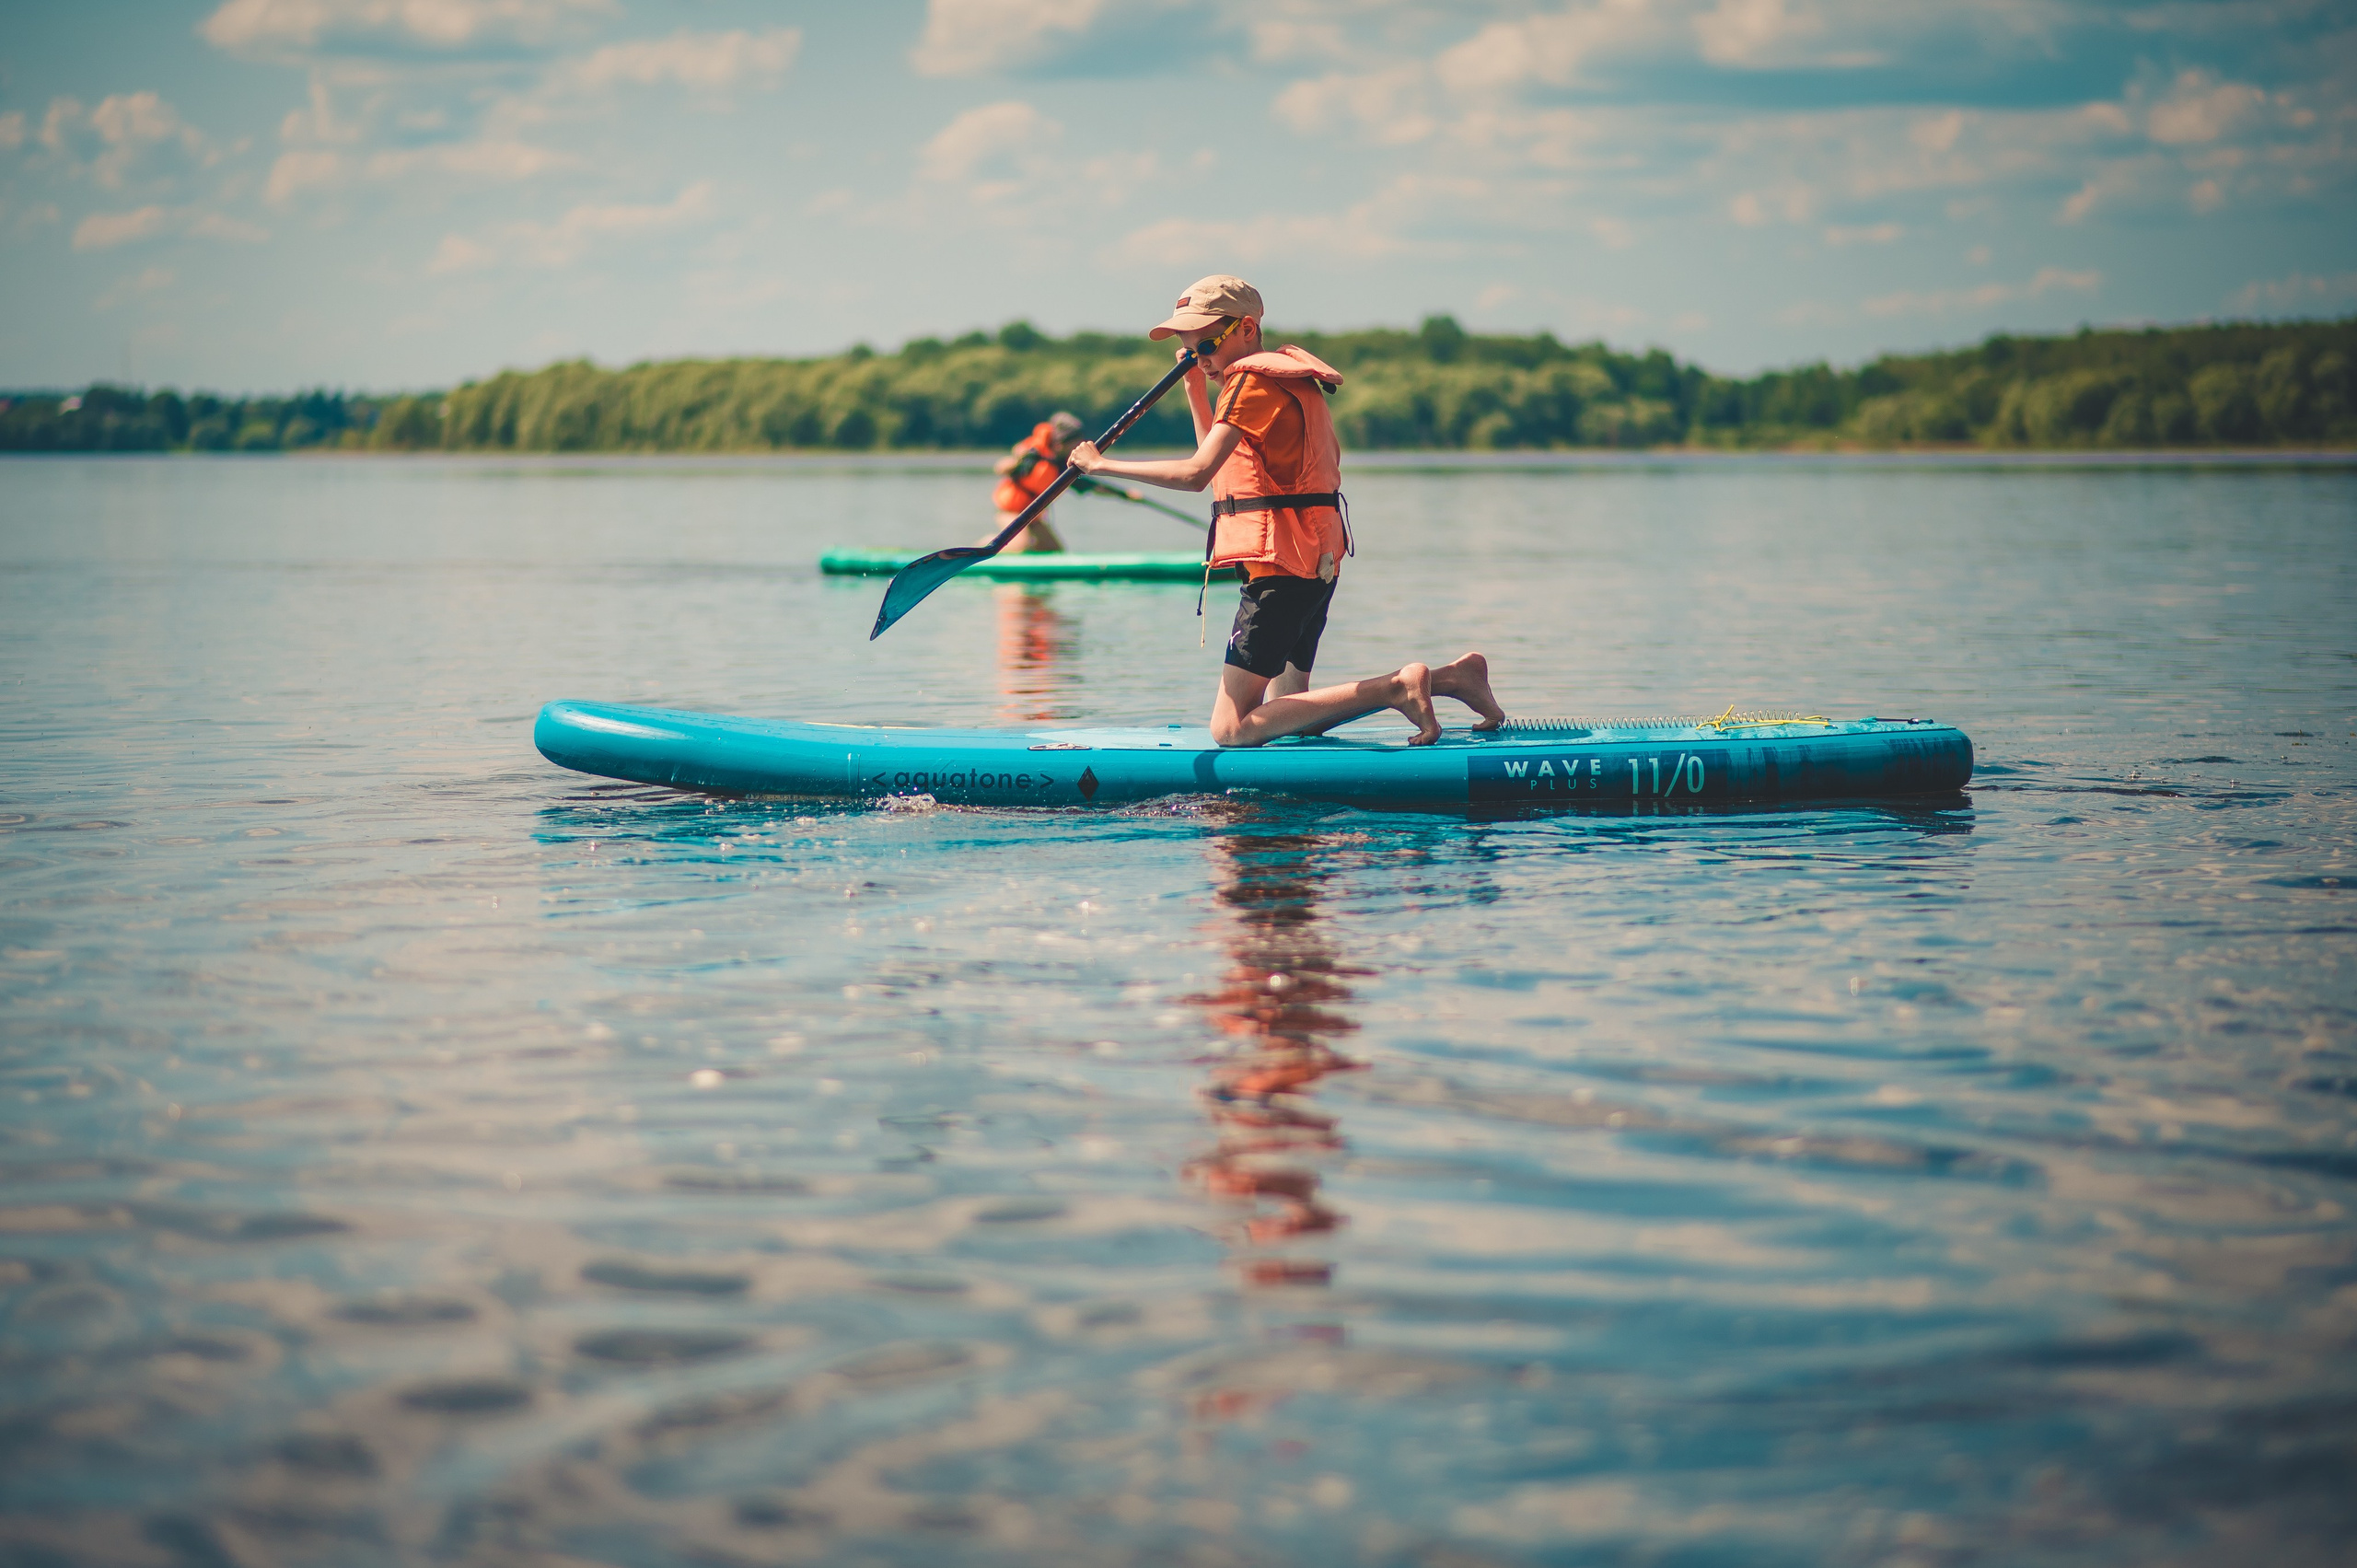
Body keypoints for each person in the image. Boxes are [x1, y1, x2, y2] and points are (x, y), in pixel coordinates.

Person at [1068, 274, 1505, 747]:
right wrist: (1196, 389)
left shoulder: (1251, 384)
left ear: (1247, 330)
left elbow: (1194, 476)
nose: (1201, 359)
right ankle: (1455, 679)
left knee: (1232, 729)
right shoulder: (1268, 380)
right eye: (1191, 351)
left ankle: (1397, 686)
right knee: (1293, 712)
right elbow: (1221, 474)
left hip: (1281, 567)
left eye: (1207, 346)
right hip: (1312, 561)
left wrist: (1101, 465)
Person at [985, 411, 1141, 553]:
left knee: (1054, 550)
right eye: (1075, 443)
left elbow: (1094, 487)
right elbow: (1001, 468)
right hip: (1009, 512)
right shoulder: (1033, 457)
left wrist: (1124, 495)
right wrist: (1016, 460)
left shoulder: (1063, 469)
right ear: (1061, 444)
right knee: (1021, 544)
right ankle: (983, 549)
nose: (1079, 446)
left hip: (1031, 516)